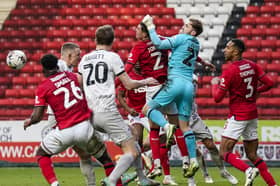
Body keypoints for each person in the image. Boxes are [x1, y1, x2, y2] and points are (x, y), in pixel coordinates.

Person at [78, 24, 160, 186]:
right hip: (107, 112)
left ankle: (142, 178)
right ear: (113, 41)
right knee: (132, 151)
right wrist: (146, 81)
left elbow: (79, 84)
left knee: (132, 138)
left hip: (90, 114)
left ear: (95, 39)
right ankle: (112, 180)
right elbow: (128, 85)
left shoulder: (85, 59)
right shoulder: (112, 57)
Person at [46, 42, 133, 186]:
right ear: (68, 55)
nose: (79, 58)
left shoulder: (68, 68)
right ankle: (115, 179)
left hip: (60, 118)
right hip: (65, 118)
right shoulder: (61, 65)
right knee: (103, 155)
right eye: (77, 55)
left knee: (84, 155)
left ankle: (102, 181)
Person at [23, 54, 103, 186]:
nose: (79, 56)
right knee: (96, 155)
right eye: (77, 54)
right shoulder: (69, 73)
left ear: (43, 69)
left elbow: (37, 115)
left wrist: (30, 121)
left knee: (44, 154)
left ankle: (56, 184)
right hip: (74, 119)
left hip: (66, 122)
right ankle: (113, 176)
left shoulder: (46, 84)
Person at [141, 15, 203, 178]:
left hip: (175, 82)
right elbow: (174, 43)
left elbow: (159, 44)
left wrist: (151, 27)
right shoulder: (196, 44)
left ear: (194, 32)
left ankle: (166, 126)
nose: (184, 26)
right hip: (189, 86)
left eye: (188, 25)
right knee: (185, 126)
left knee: (148, 108)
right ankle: (193, 160)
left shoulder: (182, 37)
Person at [211, 38, 277, 186]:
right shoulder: (253, 65)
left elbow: (217, 98)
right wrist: (256, 92)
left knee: (223, 153)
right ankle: (272, 184)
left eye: (228, 47)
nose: (224, 50)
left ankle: (248, 171)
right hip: (252, 114)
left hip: (238, 115)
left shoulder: (230, 71)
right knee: (252, 154)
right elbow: (269, 83)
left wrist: (214, 85)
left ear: (236, 51)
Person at [117, 66, 178, 185]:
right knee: (136, 141)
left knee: (164, 141)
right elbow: (120, 95)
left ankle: (166, 175)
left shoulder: (150, 74)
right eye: (138, 60)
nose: (141, 63)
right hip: (135, 115)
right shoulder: (128, 77)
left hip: (150, 112)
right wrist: (128, 109)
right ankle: (141, 174)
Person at [186, 74, 238, 186]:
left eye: (195, 84)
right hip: (181, 121)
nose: (194, 86)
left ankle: (223, 171)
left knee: (211, 145)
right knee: (193, 151)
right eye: (193, 84)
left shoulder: (190, 84)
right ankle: (201, 175)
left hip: (195, 120)